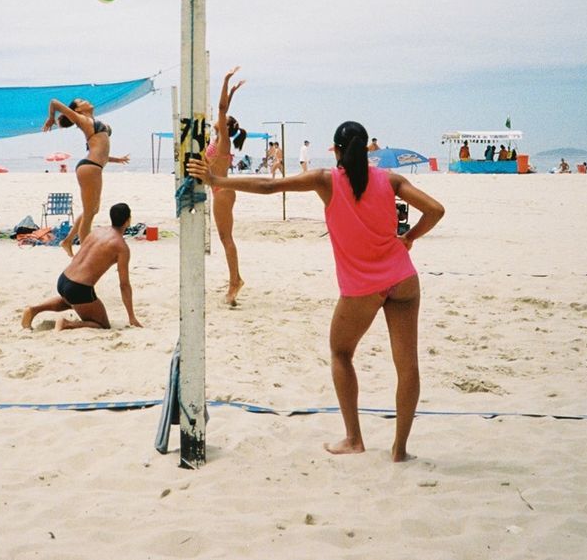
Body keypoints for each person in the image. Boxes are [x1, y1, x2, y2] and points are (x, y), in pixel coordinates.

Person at [188, 120, 444, 461]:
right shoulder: (391, 180)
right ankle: (400, 450)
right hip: (403, 280)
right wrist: (410, 237)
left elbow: (268, 186)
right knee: (407, 366)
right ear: (368, 149)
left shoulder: (326, 180)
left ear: (336, 151)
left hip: (362, 288)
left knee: (341, 353)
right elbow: (436, 209)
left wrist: (216, 180)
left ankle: (354, 439)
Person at [20, 202, 141, 331]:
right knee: (103, 325)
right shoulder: (121, 247)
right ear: (128, 221)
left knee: (71, 301)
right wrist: (131, 316)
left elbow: (83, 221)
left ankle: (33, 310)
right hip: (79, 288)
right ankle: (66, 324)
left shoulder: (98, 231)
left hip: (63, 280)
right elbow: (124, 285)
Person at [45, 97, 130, 256]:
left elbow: (99, 150)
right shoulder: (82, 119)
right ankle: (85, 254)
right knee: (90, 213)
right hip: (89, 168)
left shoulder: (91, 121)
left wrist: (116, 159)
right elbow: (54, 102)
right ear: (77, 110)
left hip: (94, 167)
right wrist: (51, 118)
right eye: (81, 101)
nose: (86, 101)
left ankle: (68, 241)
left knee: (91, 210)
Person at [206, 66, 249, 306]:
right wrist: (231, 91)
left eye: (223, 121)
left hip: (222, 191)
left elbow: (222, 110)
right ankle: (235, 279)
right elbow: (225, 110)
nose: (219, 118)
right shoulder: (219, 139)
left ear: (226, 126)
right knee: (226, 238)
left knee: (226, 239)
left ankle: (235, 281)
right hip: (222, 190)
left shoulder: (222, 140)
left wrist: (224, 80)